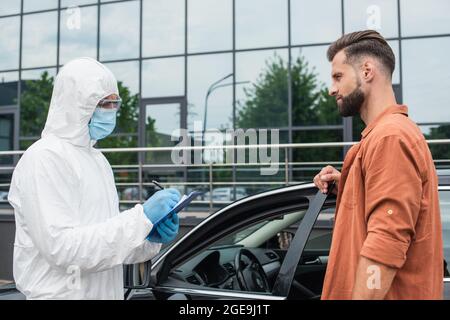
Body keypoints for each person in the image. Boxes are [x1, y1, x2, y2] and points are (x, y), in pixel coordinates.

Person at [8, 57, 181, 299]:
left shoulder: (98, 161)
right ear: (76, 104)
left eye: (114, 103)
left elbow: (106, 243)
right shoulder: (44, 157)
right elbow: (63, 249)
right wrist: (140, 218)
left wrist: (149, 236)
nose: (111, 111)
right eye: (103, 103)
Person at [313, 30, 443, 299]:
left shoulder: (390, 138)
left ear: (367, 71)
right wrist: (350, 185)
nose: (331, 89)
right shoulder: (385, 135)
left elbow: (385, 244)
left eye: (338, 76)